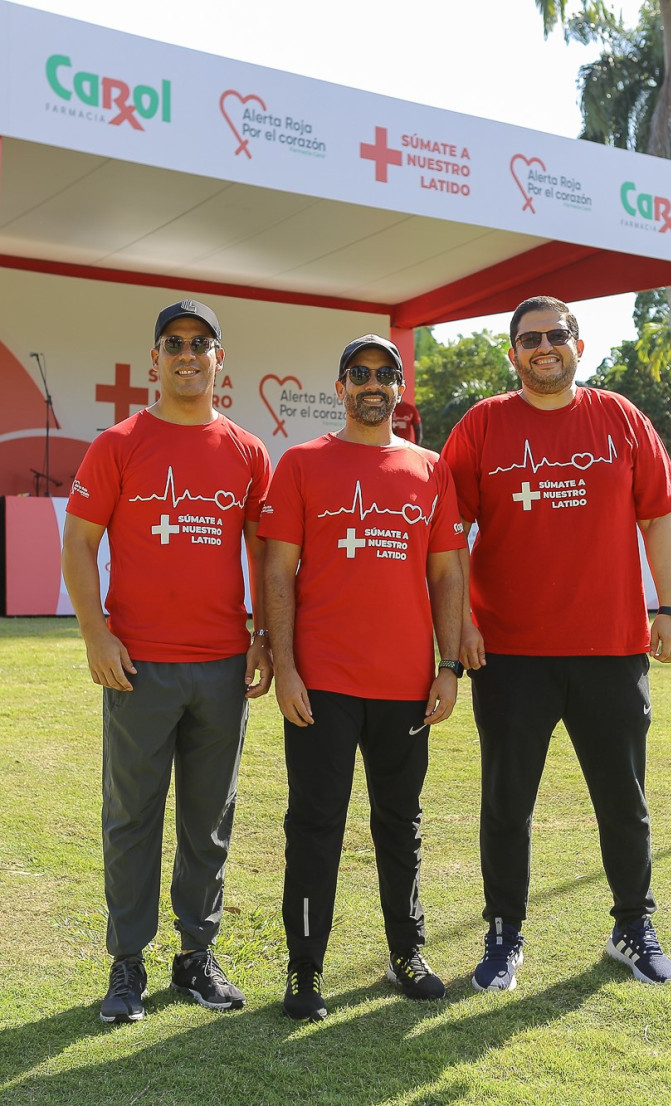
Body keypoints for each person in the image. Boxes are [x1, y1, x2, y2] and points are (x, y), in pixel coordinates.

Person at [441, 295, 671, 990]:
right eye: (528, 339)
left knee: (623, 799)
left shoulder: (620, 418)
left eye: (555, 335)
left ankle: (632, 926)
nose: (542, 347)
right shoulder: (483, 425)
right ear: (512, 352)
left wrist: (669, 608)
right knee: (507, 801)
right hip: (511, 653)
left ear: (578, 342)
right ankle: (503, 934)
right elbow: (448, 536)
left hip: (610, 647)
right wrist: (459, 624)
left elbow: (658, 518)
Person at [61, 299, 272, 1024]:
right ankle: (127, 966)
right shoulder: (118, 445)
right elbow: (80, 543)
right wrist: (96, 634)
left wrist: (264, 637)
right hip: (139, 667)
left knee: (208, 820)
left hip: (220, 669)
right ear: (155, 359)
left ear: (220, 361)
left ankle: (195, 958)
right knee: (132, 817)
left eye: (201, 343)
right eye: (174, 343)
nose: (188, 354)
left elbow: (264, 553)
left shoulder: (246, 451)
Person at [260, 334, 465, 1020]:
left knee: (400, 824)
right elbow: (277, 572)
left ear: (399, 387)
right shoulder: (301, 464)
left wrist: (449, 666)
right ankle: (305, 970)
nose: (373, 384)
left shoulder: (431, 469)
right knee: (314, 825)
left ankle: (406, 954)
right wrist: (285, 668)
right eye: (360, 374)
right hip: (323, 686)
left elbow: (446, 575)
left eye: (385, 374)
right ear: (341, 386)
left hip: (407, 684)